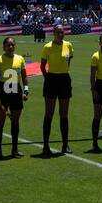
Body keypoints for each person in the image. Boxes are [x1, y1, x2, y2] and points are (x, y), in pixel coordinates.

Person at [0, 35, 28, 158]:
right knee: (0, 121)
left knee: (15, 121)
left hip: (16, 91)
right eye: (8, 45)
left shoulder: (20, 59)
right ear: (4, 47)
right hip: (3, 91)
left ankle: (14, 150)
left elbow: (24, 76)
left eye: (12, 45)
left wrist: (26, 90)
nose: (10, 47)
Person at [39, 24, 73, 155]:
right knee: (49, 114)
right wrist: (48, 78)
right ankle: (46, 146)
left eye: (62, 32)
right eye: (58, 32)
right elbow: (42, 66)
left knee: (64, 114)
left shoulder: (69, 45)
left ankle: (65, 145)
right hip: (51, 80)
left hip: (64, 79)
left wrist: (63, 71)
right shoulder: (47, 47)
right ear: (53, 33)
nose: (61, 34)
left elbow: (69, 61)